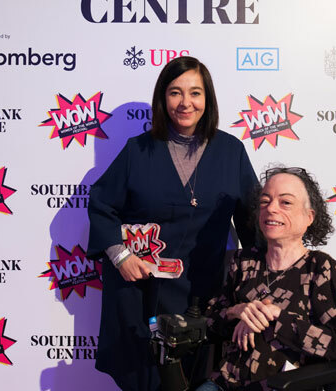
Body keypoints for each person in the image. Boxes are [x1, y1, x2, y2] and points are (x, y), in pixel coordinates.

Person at [87, 56, 258, 391]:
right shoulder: (138, 150)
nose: (185, 103)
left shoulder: (231, 151)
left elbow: (253, 224)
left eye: (195, 93)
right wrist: (120, 256)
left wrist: (262, 283)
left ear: (207, 99)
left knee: (199, 380)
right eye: (175, 93)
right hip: (142, 292)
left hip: (205, 295)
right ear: (162, 99)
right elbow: (101, 204)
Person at [199, 167, 336, 391]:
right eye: (265, 201)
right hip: (227, 383)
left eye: (286, 203)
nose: (271, 209)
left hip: (283, 386)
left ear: (309, 217)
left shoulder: (318, 267)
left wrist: (277, 317)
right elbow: (207, 324)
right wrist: (237, 311)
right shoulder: (244, 262)